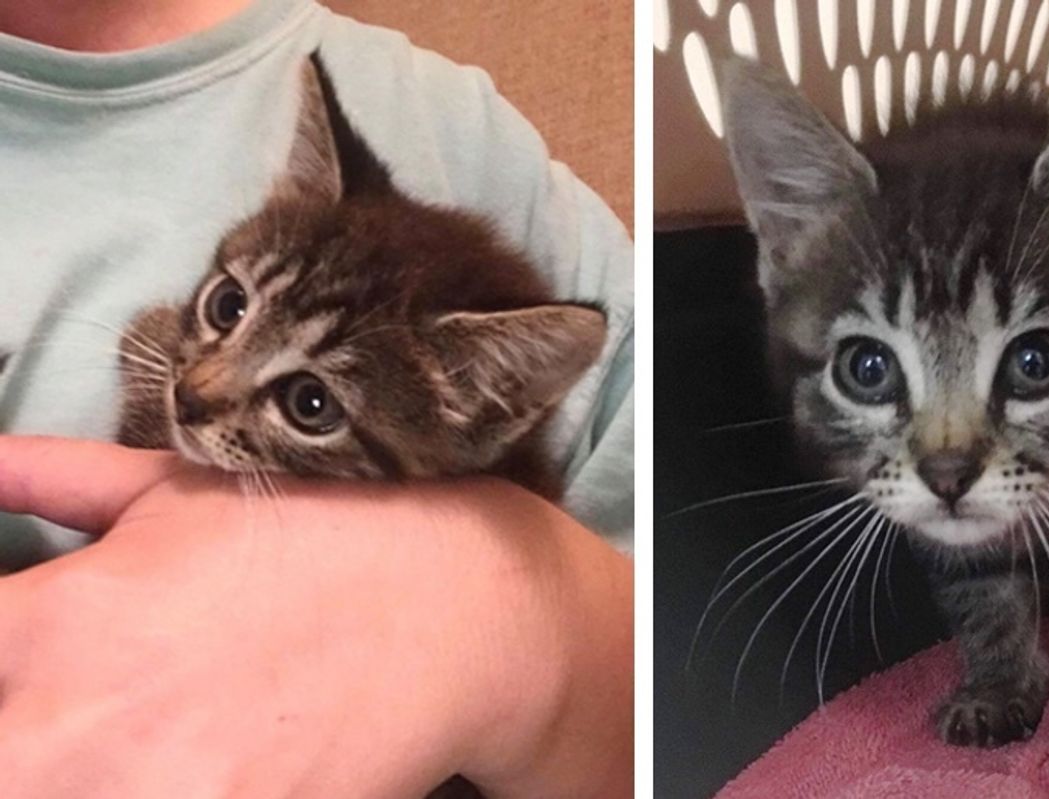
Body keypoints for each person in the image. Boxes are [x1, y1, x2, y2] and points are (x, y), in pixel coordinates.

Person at [0, 0, 633, 796]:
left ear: (487, 404)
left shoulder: (451, 123)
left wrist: (500, 621)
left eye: (307, 402)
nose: (198, 391)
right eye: (228, 308)